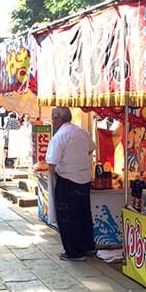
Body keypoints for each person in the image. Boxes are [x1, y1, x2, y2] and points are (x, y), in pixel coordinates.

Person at [45, 107, 96, 261]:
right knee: (83, 214)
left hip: (67, 180)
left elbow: (52, 163)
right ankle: (88, 246)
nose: (52, 121)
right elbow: (91, 149)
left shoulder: (60, 135)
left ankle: (75, 252)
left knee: (68, 217)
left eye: (53, 118)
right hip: (84, 178)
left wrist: (55, 178)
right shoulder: (81, 131)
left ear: (58, 119)